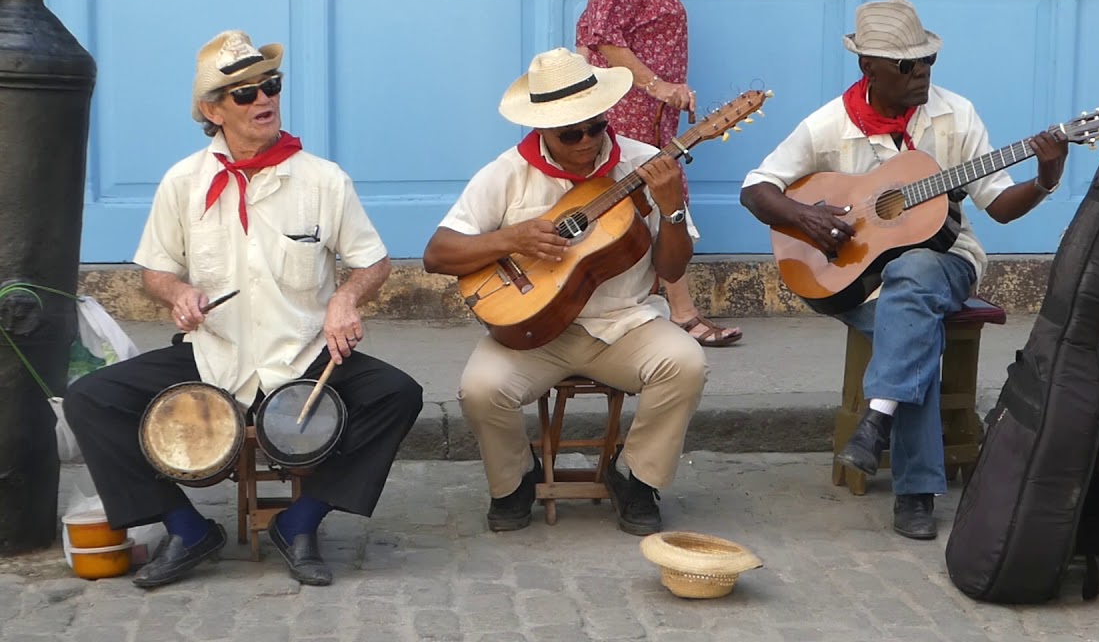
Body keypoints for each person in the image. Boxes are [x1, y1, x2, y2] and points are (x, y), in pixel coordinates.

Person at [64, 31, 424, 588]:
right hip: (213, 355)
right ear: (213, 110)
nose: (264, 100)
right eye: (244, 93)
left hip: (303, 353)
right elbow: (155, 269)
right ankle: (185, 527)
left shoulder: (323, 180)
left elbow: (373, 263)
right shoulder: (183, 181)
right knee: (89, 399)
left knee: (399, 394)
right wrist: (178, 294)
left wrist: (345, 299)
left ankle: (300, 520)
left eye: (270, 86)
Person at [739, 0, 1067, 540]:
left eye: (928, 61)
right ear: (868, 66)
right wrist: (806, 217)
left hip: (948, 264)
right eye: (908, 65)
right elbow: (756, 188)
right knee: (912, 327)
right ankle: (911, 485)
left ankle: (880, 425)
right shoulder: (829, 124)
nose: (922, 74)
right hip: (856, 280)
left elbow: (1000, 208)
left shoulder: (956, 115)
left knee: (914, 275)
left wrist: (1046, 179)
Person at [422, 48, 707, 536]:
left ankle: (636, 478)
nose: (587, 142)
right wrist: (511, 239)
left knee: (687, 364)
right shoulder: (506, 173)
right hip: (533, 331)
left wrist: (673, 209)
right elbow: (437, 254)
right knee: (480, 389)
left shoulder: (644, 164)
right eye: (570, 134)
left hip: (624, 324)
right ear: (542, 129)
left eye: (596, 128)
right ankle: (515, 481)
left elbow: (671, 267)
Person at [576, 0, 743, 348]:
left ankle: (648, 309)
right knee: (660, 195)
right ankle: (682, 313)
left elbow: (591, 32)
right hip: (632, 107)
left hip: (641, 109)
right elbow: (601, 37)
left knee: (646, 202)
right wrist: (658, 86)